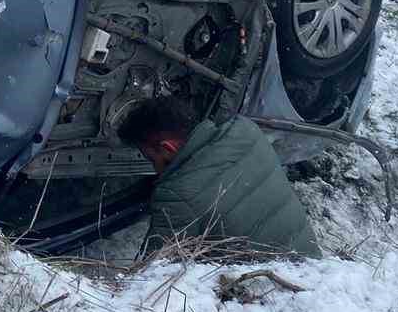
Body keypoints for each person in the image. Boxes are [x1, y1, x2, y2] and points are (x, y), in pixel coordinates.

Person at [120, 97, 321, 258]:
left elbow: (151, 271)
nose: (155, 169)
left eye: (151, 159)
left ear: (168, 147)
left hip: (267, 290)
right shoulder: (246, 131)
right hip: (312, 268)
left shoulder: (178, 195)